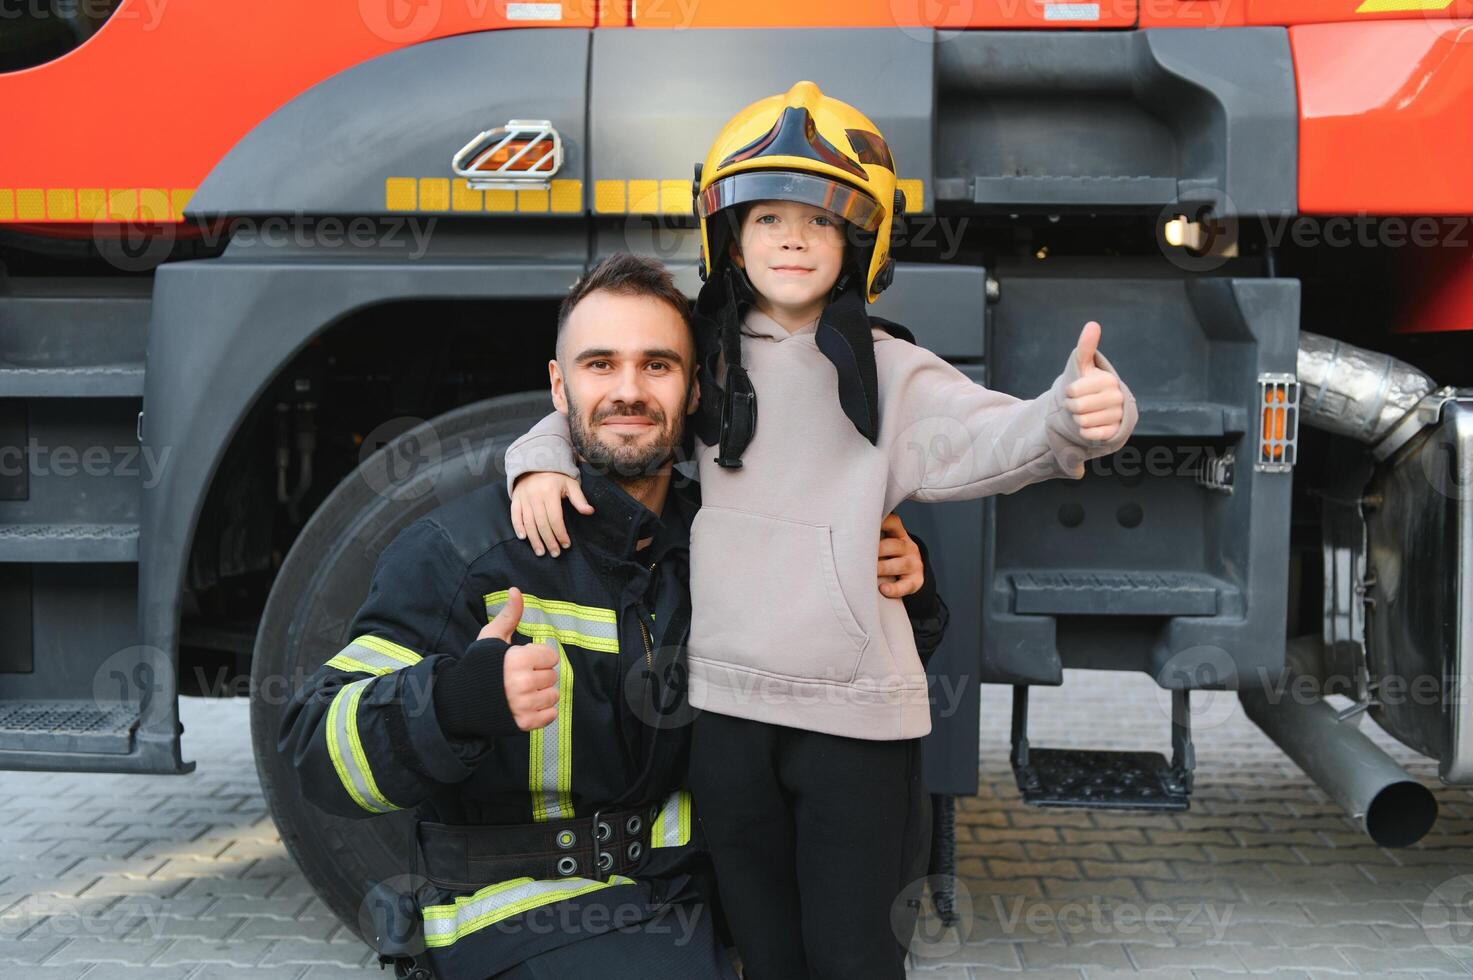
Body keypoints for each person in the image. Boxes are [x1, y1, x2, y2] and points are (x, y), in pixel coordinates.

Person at [502, 82, 1140, 979]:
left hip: (856, 731)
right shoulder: (701, 356)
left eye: (820, 218)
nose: (792, 237)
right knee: (760, 954)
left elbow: (1002, 435)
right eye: (767, 218)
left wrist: (1075, 416)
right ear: (729, 235)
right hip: (724, 720)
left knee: (854, 959)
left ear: (860, 241)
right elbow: (611, 410)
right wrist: (536, 459)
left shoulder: (894, 372)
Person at [277, 252, 949, 980]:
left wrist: (903, 593)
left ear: (695, 389)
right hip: (522, 911)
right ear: (559, 386)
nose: (628, 391)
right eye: (600, 365)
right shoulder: (466, 554)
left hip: (693, 897)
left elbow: (832, 691)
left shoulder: (728, 538)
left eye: (657, 366)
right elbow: (318, 751)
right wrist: (456, 702)